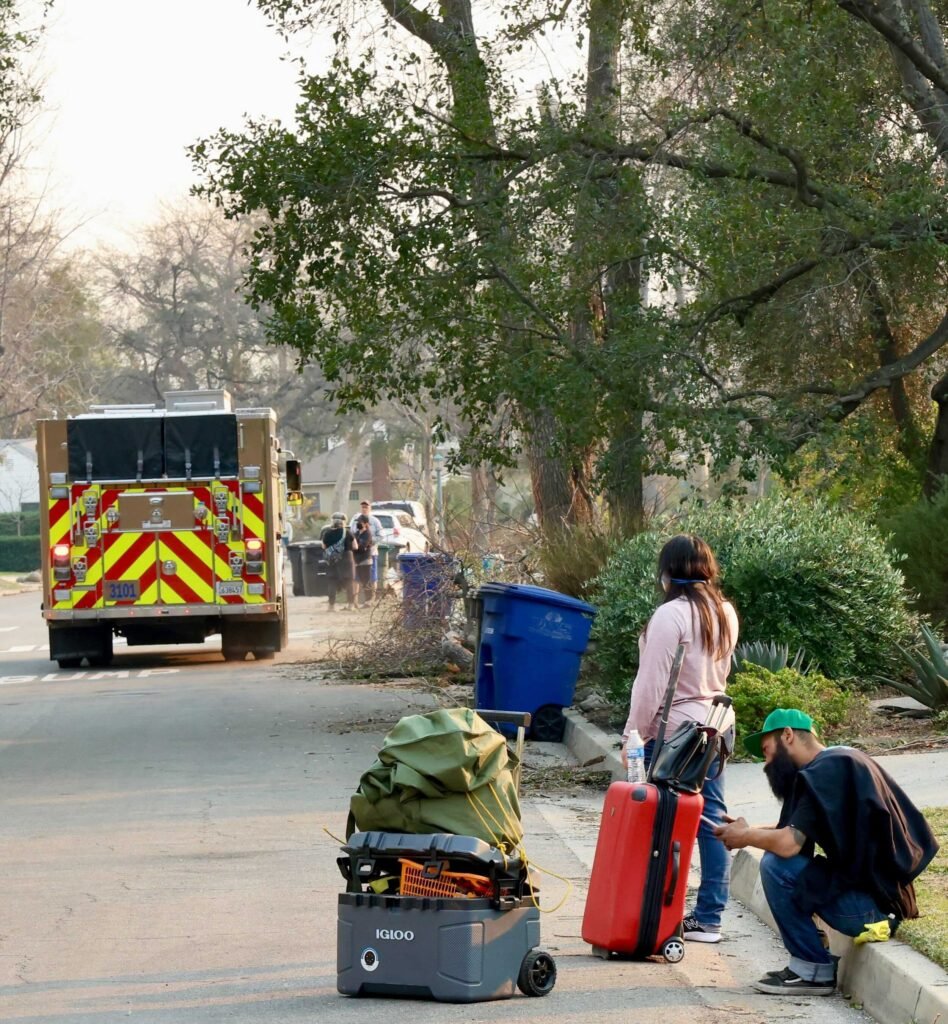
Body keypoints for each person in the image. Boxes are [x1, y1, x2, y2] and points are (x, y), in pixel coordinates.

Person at [716, 709, 939, 997]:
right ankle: (811, 964)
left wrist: (745, 837)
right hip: (879, 898)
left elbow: (788, 844)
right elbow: (796, 828)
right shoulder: (837, 760)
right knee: (781, 860)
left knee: (776, 865)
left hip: (873, 909)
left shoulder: (825, 771)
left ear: (788, 735)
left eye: (767, 750)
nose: (766, 762)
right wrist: (748, 829)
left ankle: (812, 970)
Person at [622, 533, 739, 944]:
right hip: (717, 725)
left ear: (668, 572)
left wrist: (633, 734)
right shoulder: (725, 612)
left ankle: (652, 909)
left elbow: (650, 686)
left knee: (662, 820)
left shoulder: (670, 616)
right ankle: (710, 917)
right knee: (711, 819)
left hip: (674, 733)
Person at [320, 512, 356, 612]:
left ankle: (331, 606)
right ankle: (350, 605)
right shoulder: (347, 532)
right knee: (349, 582)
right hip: (347, 559)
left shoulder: (327, 533)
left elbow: (323, 546)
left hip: (333, 560)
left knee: (332, 582)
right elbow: (355, 546)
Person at [353, 500, 384, 586]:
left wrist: (368, 541)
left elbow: (381, 535)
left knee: (372, 577)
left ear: (370, 508)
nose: (364, 509)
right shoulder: (355, 520)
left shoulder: (375, 521)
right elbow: (352, 534)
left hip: (371, 553)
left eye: (366, 507)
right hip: (357, 554)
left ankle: (372, 598)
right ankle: (357, 598)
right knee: (356, 577)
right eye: (363, 507)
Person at [352, 514, 374, 606]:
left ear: (365, 523)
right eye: (357, 522)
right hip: (357, 561)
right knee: (356, 581)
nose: (358, 523)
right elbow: (353, 546)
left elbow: (361, 547)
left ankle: (368, 601)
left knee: (366, 581)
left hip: (365, 561)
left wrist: (356, 546)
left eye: (360, 522)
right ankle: (354, 601)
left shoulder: (367, 534)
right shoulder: (357, 534)